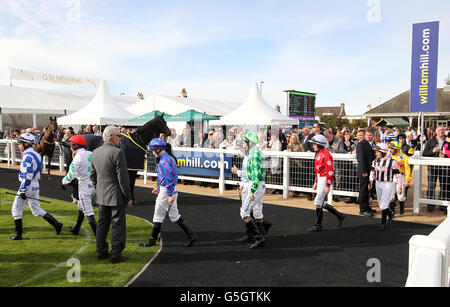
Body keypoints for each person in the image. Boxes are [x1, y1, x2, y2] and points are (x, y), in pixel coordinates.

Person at [139, 138, 197, 248]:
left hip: (167, 191)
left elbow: (169, 178)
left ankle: (152, 241)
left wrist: (168, 194)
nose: (152, 152)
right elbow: (165, 177)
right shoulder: (169, 158)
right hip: (169, 189)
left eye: (153, 150)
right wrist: (159, 188)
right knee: (174, 216)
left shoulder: (164, 161)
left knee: (158, 216)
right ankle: (192, 236)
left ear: (158, 150)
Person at [8, 133, 63, 240]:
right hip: (35, 184)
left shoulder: (27, 157)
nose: (19, 145)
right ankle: (57, 224)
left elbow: (26, 175)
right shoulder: (37, 154)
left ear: (26, 144)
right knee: (37, 210)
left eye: (20, 143)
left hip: (27, 185)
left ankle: (18, 235)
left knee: (16, 210)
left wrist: (23, 190)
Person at [90, 126, 132, 263]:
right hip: (115, 195)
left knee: (102, 224)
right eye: (119, 136)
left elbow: (93, 175)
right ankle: (116, 253)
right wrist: (128, 197)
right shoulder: (117, 153)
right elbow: (123, 178)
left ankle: (101, 251)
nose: (120, 138)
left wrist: (99, 189)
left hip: (101, 195)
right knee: (117, 225)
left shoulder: (95, 152)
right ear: (112, 137)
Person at [232, 133, 272, 246]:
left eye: (245, 142)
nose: (243, 144)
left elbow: (256, 176)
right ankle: (259, 236)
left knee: (244, 212)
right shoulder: (256, 153)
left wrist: (252, 191)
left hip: (255, 186)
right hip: (259, 185)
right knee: (257, 212)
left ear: (249, 143)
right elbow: (253, 174)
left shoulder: (253, 155)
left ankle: (258, 237)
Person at [307, 134, 346, 232]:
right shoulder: (319, 153)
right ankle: (339, 215)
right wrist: (316, 181)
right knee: (320, 202)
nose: (313, 146)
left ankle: (318, 225)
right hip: (320, 178)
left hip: (325, 179)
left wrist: (328, 184)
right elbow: (317, 170)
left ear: (319, 144)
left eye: (314, 144)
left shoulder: (326, 154)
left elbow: (330, 170)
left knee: (318, 202)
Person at [61, 135, 97, 237]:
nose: (70, 148)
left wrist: (63, 182)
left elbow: (71, 174)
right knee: (81, 208)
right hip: (93, 185)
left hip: (84, 187)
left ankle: (100, 239)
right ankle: (76, 229)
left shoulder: (78, 157)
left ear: (75, 146)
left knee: (88, 213)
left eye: (71, 146)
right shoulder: (91, 153)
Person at [369, 143, 402, 231]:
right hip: (378, 183)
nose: (376, 153)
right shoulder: (375, 161)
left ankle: (383, 223)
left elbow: (398, 175)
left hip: (387, 183)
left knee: (384, 203)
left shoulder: (392, 162)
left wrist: (400, 187)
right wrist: (371, 182)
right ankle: (390, 214)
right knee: (381, 203)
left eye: (377, 152)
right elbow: (372, 172)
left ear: (383, 152)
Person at [423, 125, 449, 213]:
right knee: (431, 186)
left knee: (444, 186)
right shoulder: (430, 141)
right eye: (439, 130)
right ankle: (430, 204)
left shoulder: (448, 141)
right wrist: (433, 151)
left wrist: (444, 156)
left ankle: (443, 205)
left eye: (442, 130)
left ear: (445, 131)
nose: (441, 132)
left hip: (445, 168)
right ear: (436, 131)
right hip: (432, 167)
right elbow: (424, 154)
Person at [387, 140, 411, 216]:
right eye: (389, 148)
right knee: (391, 195)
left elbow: (407, 169)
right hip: (391, 177)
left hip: (401, 177)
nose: (390, 150)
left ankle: (401, 207)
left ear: (397, 149)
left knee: (400, 195)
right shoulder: (387, 156)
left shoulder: (404, 157)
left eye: (392, 149)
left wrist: (407, 180)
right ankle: (392, 210)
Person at [356, 129, 376, 216]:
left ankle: (367, 207)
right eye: (367, 135)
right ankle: (363, 209)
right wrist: (364, 171)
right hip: (364, 171)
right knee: (363, 190)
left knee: (368, 190)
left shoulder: (372, 144)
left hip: (370, 171)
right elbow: (360, 159)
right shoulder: (361, 144)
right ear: (365, 135)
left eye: (370, 135)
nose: (369, 136)